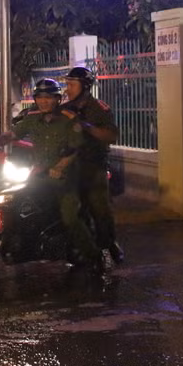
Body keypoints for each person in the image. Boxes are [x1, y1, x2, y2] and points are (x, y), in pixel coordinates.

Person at [0, 78, 102, 268]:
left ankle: (93, 256)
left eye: (49, 97)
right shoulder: (33, 118)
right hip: (40, 174)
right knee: (15, 202)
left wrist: (60, 167)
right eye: (40, 97)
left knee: (70, 216)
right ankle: (22, 246)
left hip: (67, 178)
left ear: (58, 99)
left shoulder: (69, 119)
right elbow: (15, 134)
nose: (44, 101)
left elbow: (75, 148)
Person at [60, 66, 124, 266]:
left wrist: (85, 126)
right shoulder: (65, 107)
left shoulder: (98, 108)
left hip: (92, 166)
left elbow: (111, 135)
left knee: (100, 209)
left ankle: (108, 246)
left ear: (85, 86)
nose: (68, 89)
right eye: (67, 84)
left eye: (72, 84)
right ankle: (77, 247)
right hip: (70, 166)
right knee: (70, 209)